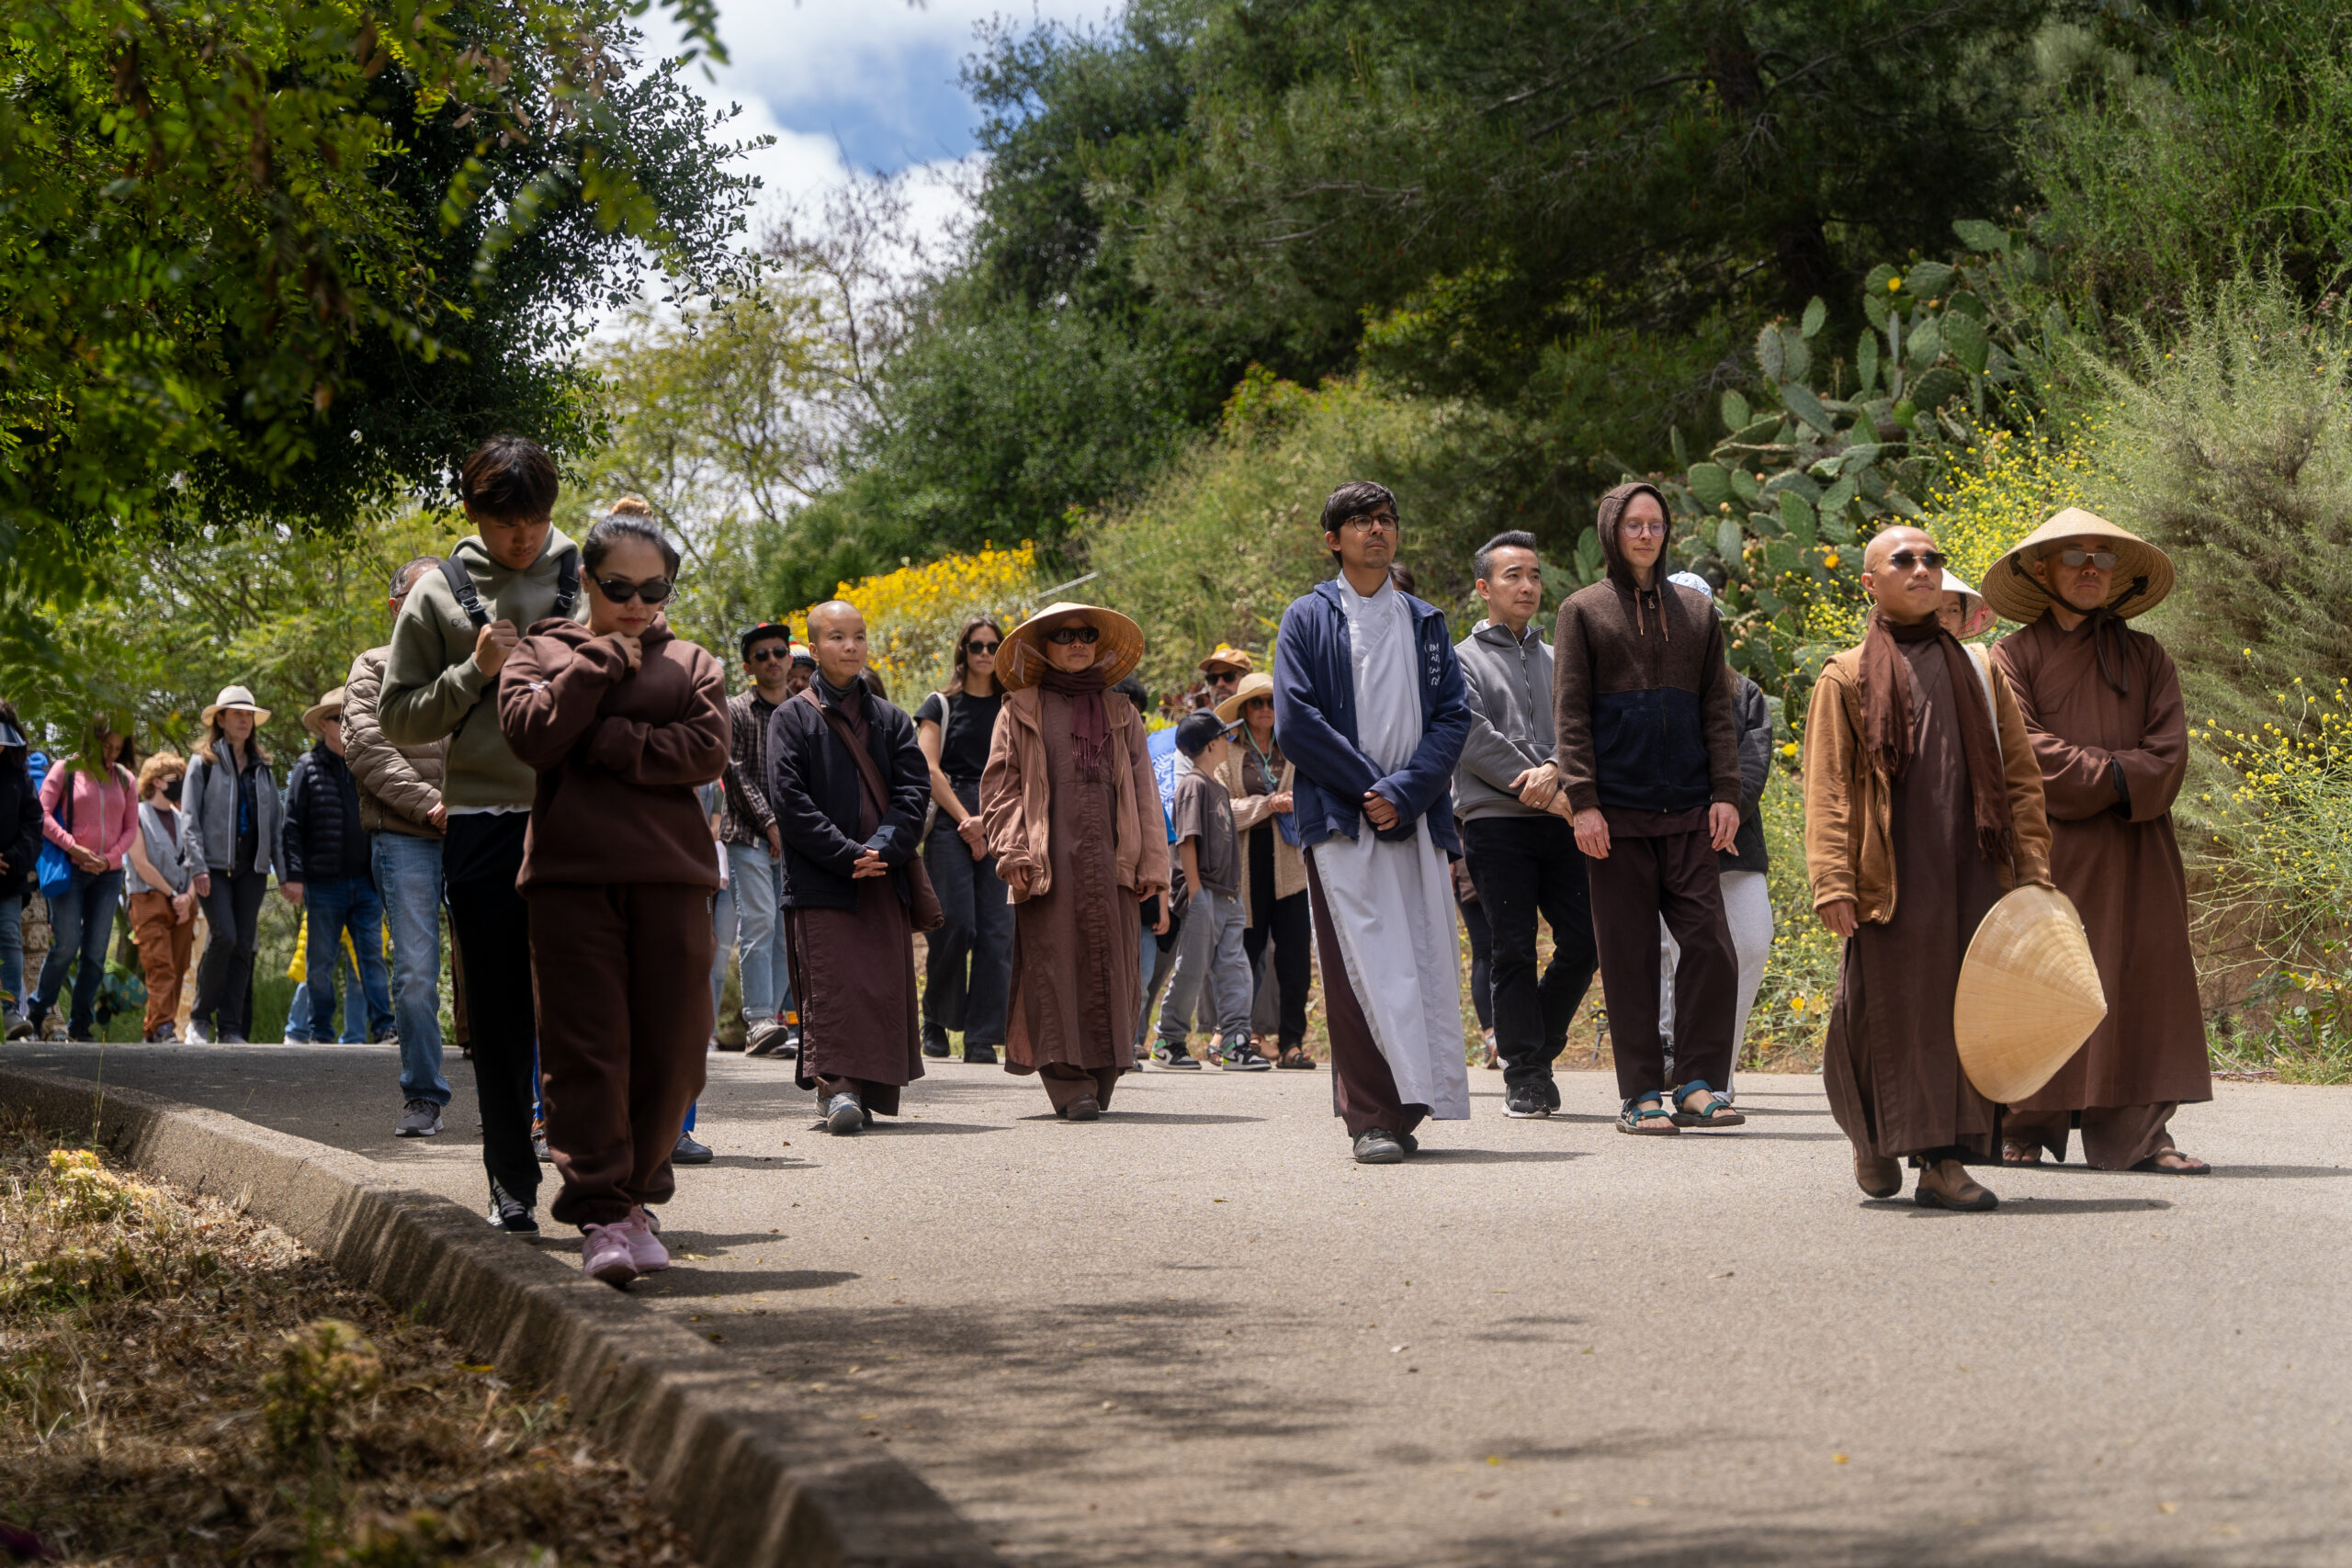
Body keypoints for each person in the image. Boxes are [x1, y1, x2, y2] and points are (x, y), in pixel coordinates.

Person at [497, 498, 727, 1284]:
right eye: (618, 588)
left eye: (653, 591)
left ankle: (636, 1198)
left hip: (672, 876)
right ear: (586, 582)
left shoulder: (695, 663)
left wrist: (601, 741)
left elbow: (705, 749)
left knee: (675, 1047)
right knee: (586, 1050)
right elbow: (531, 734)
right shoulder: (540, 650)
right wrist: (596, 664)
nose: (635, 606)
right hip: (569, 879)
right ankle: (600, 1210)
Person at [1804, 525, 2054, 1210]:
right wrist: (1832, 879)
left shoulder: (1979, 669)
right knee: (1880, 1015)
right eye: (1904, 560)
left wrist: (2032, 867)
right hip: (1891, 877)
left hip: (1975, 870)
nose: (1922, 569)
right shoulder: (1846, 674)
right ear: (1871, 583)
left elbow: (2021, 778)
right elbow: (1827, 787)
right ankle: (1873, 1136)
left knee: (1964, 1016)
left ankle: (1944, 1163)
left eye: (1933, 559)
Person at [381, 434, 582, 1235]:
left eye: (534, 519)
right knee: (498, 1014)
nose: (522, 537)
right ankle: (511, 1182)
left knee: (585, 1008)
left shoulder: (585, 574)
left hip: (579, 818)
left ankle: (598, 1177)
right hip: (483, 825)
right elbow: (396, 719)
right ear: (473, 514)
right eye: (506, 523)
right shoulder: (439, 595)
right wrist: (474, 671)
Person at [1987, 511, 2211, 1173]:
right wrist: (2114, 771)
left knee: (2140, 977)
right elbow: (2021, 748)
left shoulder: (2148, 657)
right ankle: (2024, 1124)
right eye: (2075, 556)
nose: (2091, 569)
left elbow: (2169, 753)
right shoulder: (2012, 655)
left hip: (2139, 845)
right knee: (2045, 978)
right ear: (2042, 570)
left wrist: (2119, 777)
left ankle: (2143, 1136)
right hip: (2050, 843)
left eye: (2103, 559)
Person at [1272, 481, 1474, 1164]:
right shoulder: (1306, 618)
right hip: (1341, 818)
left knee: (1420, 960)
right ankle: (1369, 1117)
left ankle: (1409, 1102)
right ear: (1333, 539)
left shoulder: (1425, 619)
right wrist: (1368, 789)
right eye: (1360, 522)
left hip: (1414, 818)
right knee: (1359, 966)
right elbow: (1297, 720)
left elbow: (1453, 714)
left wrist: (1408, 789)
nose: (1376, 531)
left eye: (1386, 519)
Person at [1552, 482, 1745, 1135]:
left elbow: (1717, 713)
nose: (1645, 534)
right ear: (1612, 531)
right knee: (1629, 956)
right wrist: (1584, 802)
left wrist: (1726, 793)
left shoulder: (1696, 611)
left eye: (1655, 524)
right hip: (1617, 818)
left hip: (1691, 813)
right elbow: (1571, 715)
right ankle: (1640, 1093)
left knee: (1713, 946)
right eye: (1633, 524)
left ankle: (1695, 1081)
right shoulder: (1582, 611)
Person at [981, 602, 1170, 1118]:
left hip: (1113, 859)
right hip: (1049, 858)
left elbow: (1146, 794)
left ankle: (1101, 1076)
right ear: (1045, 647)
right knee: (1053, 964)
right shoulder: (1019, 707)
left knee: (1114, 965)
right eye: (1064, 636)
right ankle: (1068, 1083)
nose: (1077, 643)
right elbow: (1001, 788)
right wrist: (1013, 849)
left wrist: (1154, 866)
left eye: (1086, 634)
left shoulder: (1120, 711)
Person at [766, 601, 931, 1135]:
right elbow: (789, 801)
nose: (851, 646)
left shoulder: (891, 719)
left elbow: (914, 793)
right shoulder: (790, 719)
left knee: (878, 986)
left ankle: (868, 1088)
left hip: (882, 875)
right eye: (837, 637)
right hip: (821, 880)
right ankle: (838, 1091)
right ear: (813, 649)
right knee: (832, 987)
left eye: (858, 636)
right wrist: (844, 853)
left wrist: (881, 849)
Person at [1453, 530, 1599, 1120]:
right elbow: (1468, 734)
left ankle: (1535, 1044)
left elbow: (1582, 724)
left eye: (1535, 574)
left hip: (1560, 817)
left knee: (1586, 939)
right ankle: (1527, 1073)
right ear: (1484, 588)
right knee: (1512, 948)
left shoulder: (1557, 658)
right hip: (1495, 821)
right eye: (1514, 575)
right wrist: (1536, 783)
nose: (1529, 585)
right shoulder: (1459, 660)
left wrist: (1558, 770)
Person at [1656, 570, 1775, 1100]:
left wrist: (1727, 810)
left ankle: (1715, 1067)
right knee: (1687, 956)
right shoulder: (1648, 688)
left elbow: (1754, 762)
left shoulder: (1745, 692)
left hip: (1736, 843)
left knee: (1751, 942)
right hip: (1673, 840)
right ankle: (1696, 1075)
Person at [346, 556, 452, 1135]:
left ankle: (518, 1107)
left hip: (476, 834)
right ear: (396, 607)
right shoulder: (373, 667)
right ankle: (423, 1096)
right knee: (414, 972)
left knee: (498, 970)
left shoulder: (474, 665)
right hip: (407, 836)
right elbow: (366, 748)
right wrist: (433, 806)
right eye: (421, 597)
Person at [915, 617, 1012, 1066]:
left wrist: (989, 824)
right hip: (952, 815)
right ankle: (935, 1017)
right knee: (956, 922)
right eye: (977, 645)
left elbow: (1021, 771)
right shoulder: (939, 704)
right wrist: (966, 819)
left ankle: (982, 1035)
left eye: (994, 646)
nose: (985, 653)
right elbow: (928, 769)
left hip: (1002, 818)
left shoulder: (1013, 707)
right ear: (963, 650)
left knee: (997, 932)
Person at [281, 687, 393, 1047]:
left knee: (372, 960)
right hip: (323, 883)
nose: (344, 722)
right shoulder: (306, 767)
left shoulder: (366, 764)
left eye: (348, 716)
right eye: (337, 717)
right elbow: (292, 827)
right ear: (323, 726)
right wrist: (294, 876)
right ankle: (320, 1031)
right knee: (319, 963)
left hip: (366, 883)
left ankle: (385, 1028)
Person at [1154, 710, 1265, 1069]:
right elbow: (1186, 842)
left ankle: (1234, 1042)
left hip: (1229, 895)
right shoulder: (1193, 786)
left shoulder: (1218, 786)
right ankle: (1168, 1041)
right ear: (1211, 744)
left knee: (1236, 969)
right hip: (1203, 893)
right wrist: (1197, 893)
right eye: (1226, 737)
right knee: (1192, 968)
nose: (1230, 742)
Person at [1214, 671, 1313, 1068]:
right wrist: (1267, 805)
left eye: (1272, 702)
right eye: (1257, 702)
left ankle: (1291, 1043)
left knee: (1294, 960)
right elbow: (1221, 810)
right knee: (1242, 956)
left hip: (1291, 869)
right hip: (1246, 870)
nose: (1266, 709)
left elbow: (1314, 800)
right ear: (1243, 709)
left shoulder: (1297, 749)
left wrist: (1294, 804)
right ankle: (1234, 1036)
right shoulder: (1228, 755)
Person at [28, 717, 139, 1043]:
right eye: (107, 746)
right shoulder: (65, 769)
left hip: (108, 874)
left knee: (95, 951)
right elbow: (42, 814)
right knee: (66, 944)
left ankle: (80, 1022)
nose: (112, 754)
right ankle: (38, 1010)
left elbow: (131, 828)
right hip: (71, 869)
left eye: (118, 749)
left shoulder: (126, 779)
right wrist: (73, 848)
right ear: (93, 738)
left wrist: (109, 858)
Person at [719, 621, 799, 1059]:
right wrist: (771, 823)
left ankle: (777, 1024)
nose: (772, 660)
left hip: (792, 841)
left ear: (790, 658)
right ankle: (759, 1020)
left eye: (779, 652)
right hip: (747, 835)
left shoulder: (803, 709)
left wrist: (793, 829)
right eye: (762, 655)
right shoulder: (734, 710)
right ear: (750, 666)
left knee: (786, 932)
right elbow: (734, 772)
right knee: (758, 923)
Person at [122, 753, 196, 1042]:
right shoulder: (136, 815)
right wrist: (174, 894)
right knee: (159, 965)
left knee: (178, 966)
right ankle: (164, 1027)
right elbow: (140, 863)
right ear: (156, 782)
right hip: (149, 898)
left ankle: (153, 1030)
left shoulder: (183, 819)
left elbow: (194, 863)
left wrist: (188, 899)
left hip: (183, 904)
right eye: (174, 780)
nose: (180, 786)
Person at [0, 702, 40, 1038]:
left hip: (6, 879)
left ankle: (11, 1012)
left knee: (10, 937)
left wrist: (10, 858)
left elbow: (33, 826)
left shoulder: (20, 777)